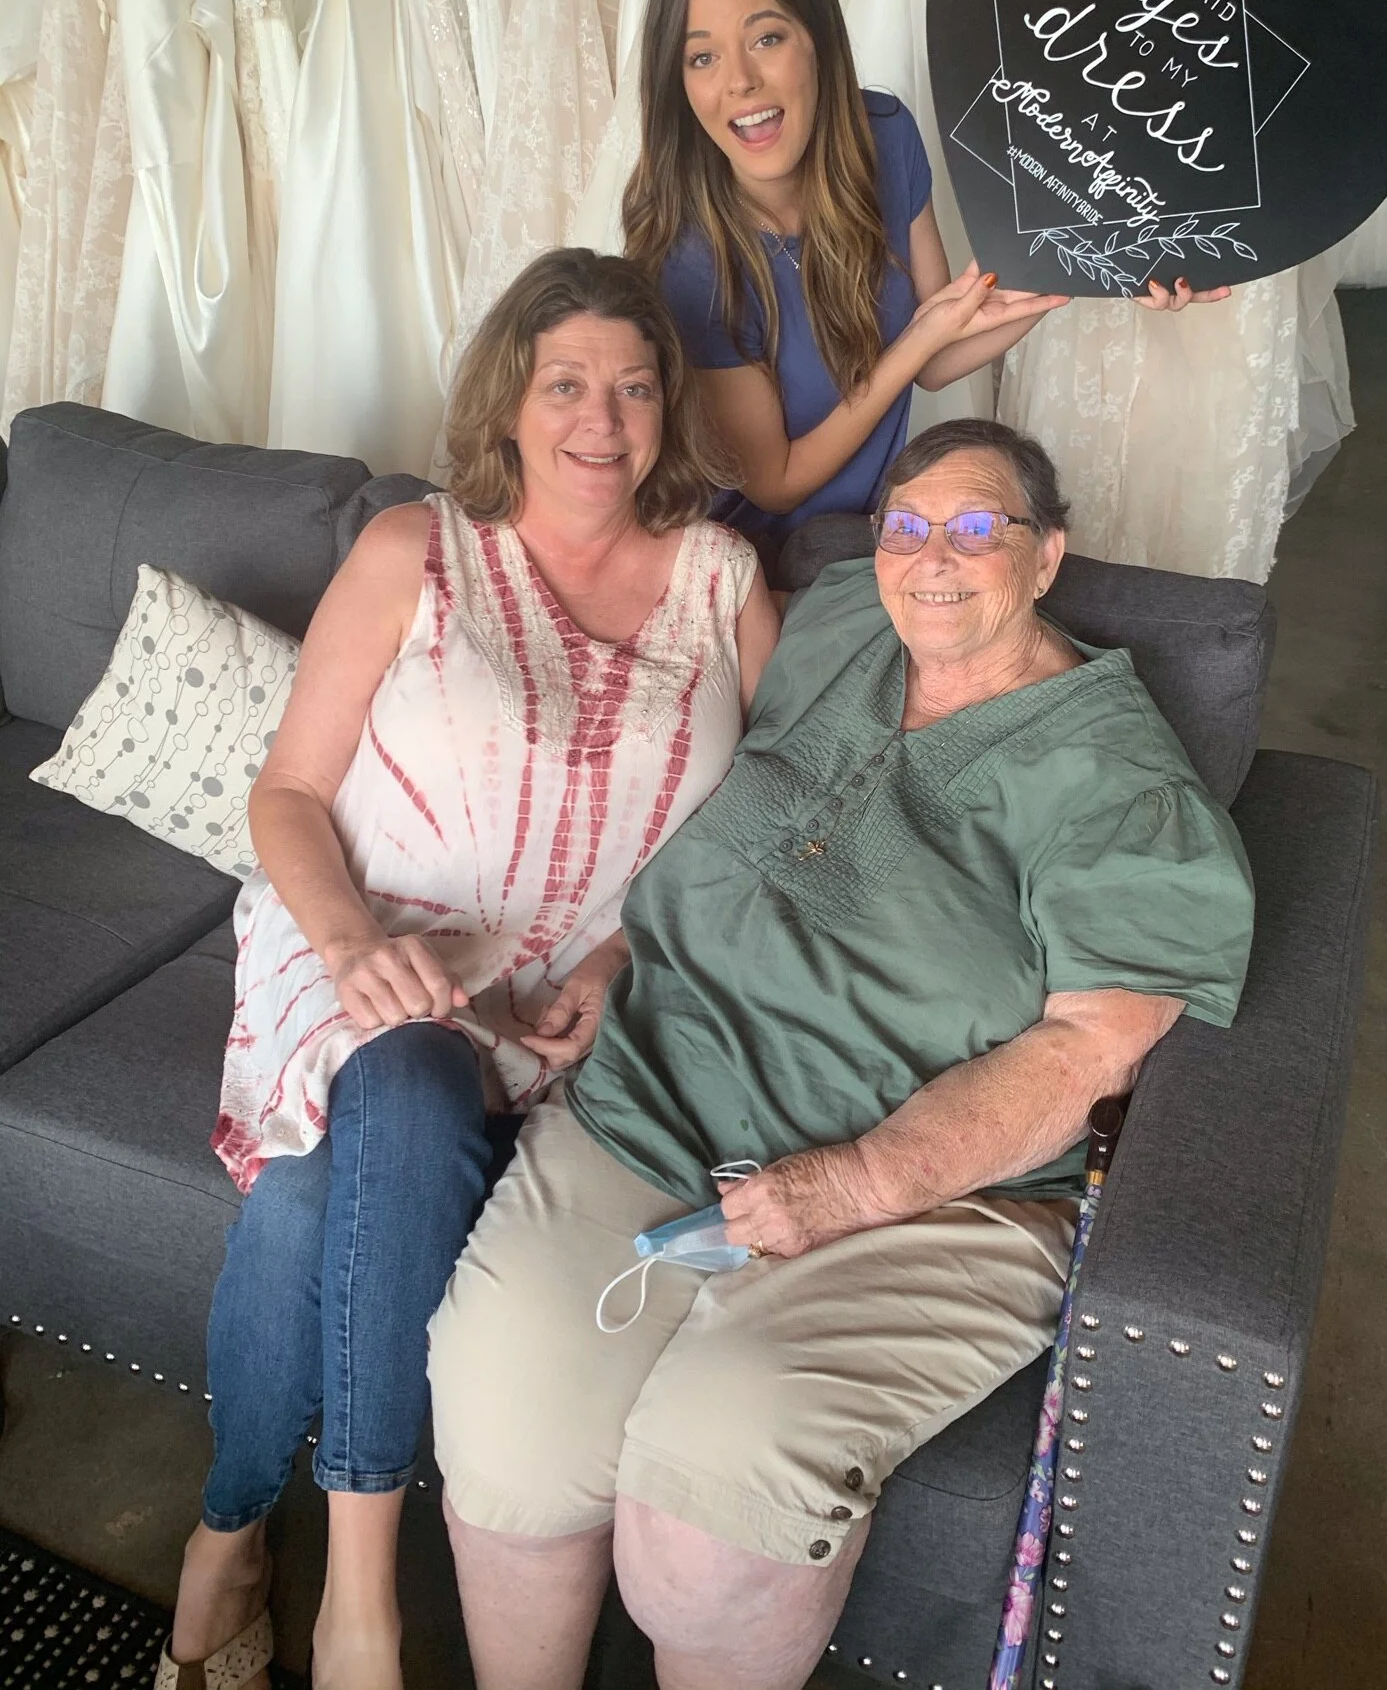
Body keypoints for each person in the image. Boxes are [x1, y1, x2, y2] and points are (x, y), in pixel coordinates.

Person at [426, 417, 1255, 1690]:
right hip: (654, 1094)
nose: (932, 557)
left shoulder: (1122, 789)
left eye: (978, 528)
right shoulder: (837, 626)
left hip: (925, 1196)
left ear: (1047, 559)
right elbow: (726, 811)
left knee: (706, 1521)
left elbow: (1093, 1052)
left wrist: (855, 1185)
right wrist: (614, 956)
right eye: (907, 525)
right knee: (508, 1425)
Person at [157, 250, 778, 1690]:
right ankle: (360, 1605)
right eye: (567, 382)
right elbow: (290, 798)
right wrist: (358, 947)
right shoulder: (413, 551)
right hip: (369, 945)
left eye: (633, 386)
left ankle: (230, 1529)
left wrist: (628, 956)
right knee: (413, 1075)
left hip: (589, 1001)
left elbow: (771, 824)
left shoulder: (722, 582)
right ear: (511, 401)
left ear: (667, 407)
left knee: (320, 1191)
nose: (602, 418)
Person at [623, 0, 1228, 560]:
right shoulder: (691, 262)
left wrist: (1100, 262)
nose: (738, 81)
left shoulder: (885, 136)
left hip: (879, 534)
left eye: (766, 38)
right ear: (677, 81)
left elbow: (940, 353)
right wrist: (914, 344)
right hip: (756, 564)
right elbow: (777, 483)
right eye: (701, 57)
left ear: (818, 39)